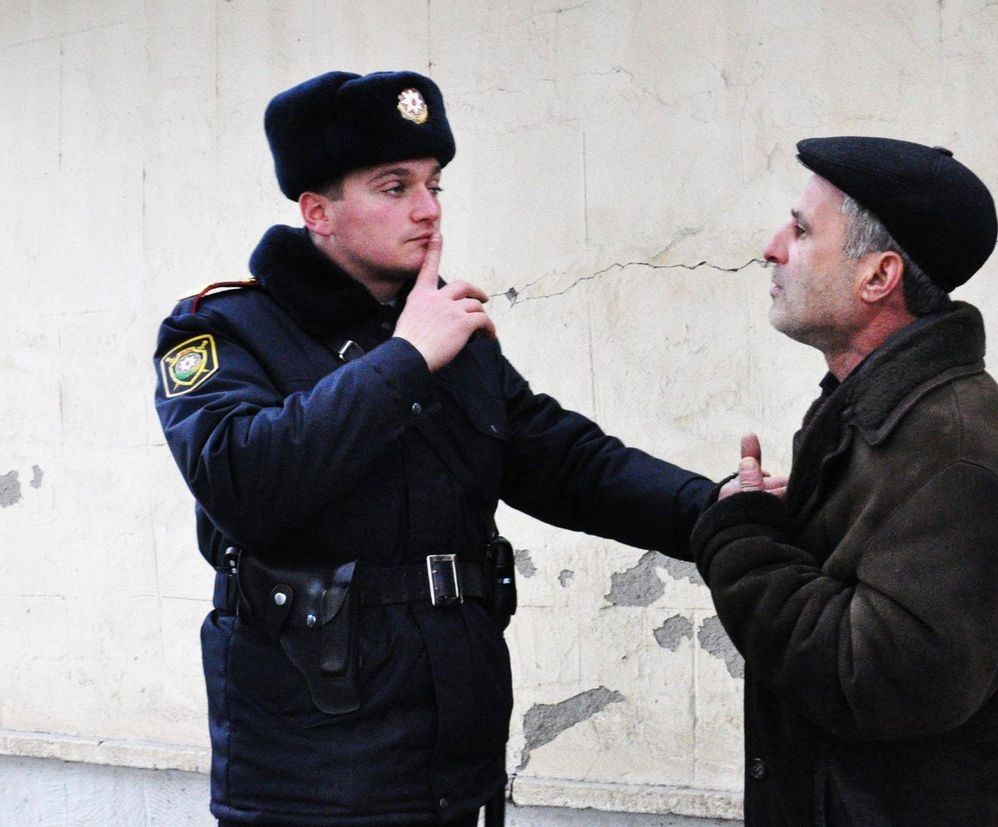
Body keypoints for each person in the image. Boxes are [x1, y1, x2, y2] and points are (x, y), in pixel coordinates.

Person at [152, 70, 714, 826]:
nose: (427, 210)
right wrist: (406, 358)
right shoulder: (224, 331)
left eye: (434, 184)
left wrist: (714, 511)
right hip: (316, 777)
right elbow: (244, 478)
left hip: (456, 754)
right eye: (394, 187)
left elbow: (563, 459)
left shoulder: (438, 325)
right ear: (317, 210)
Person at [692, 137, 998, 825]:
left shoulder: (952, 453)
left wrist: (744, 546)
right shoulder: (883, 413)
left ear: (879, 276)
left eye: (803, 229)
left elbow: (874, 679)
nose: (772, 247)